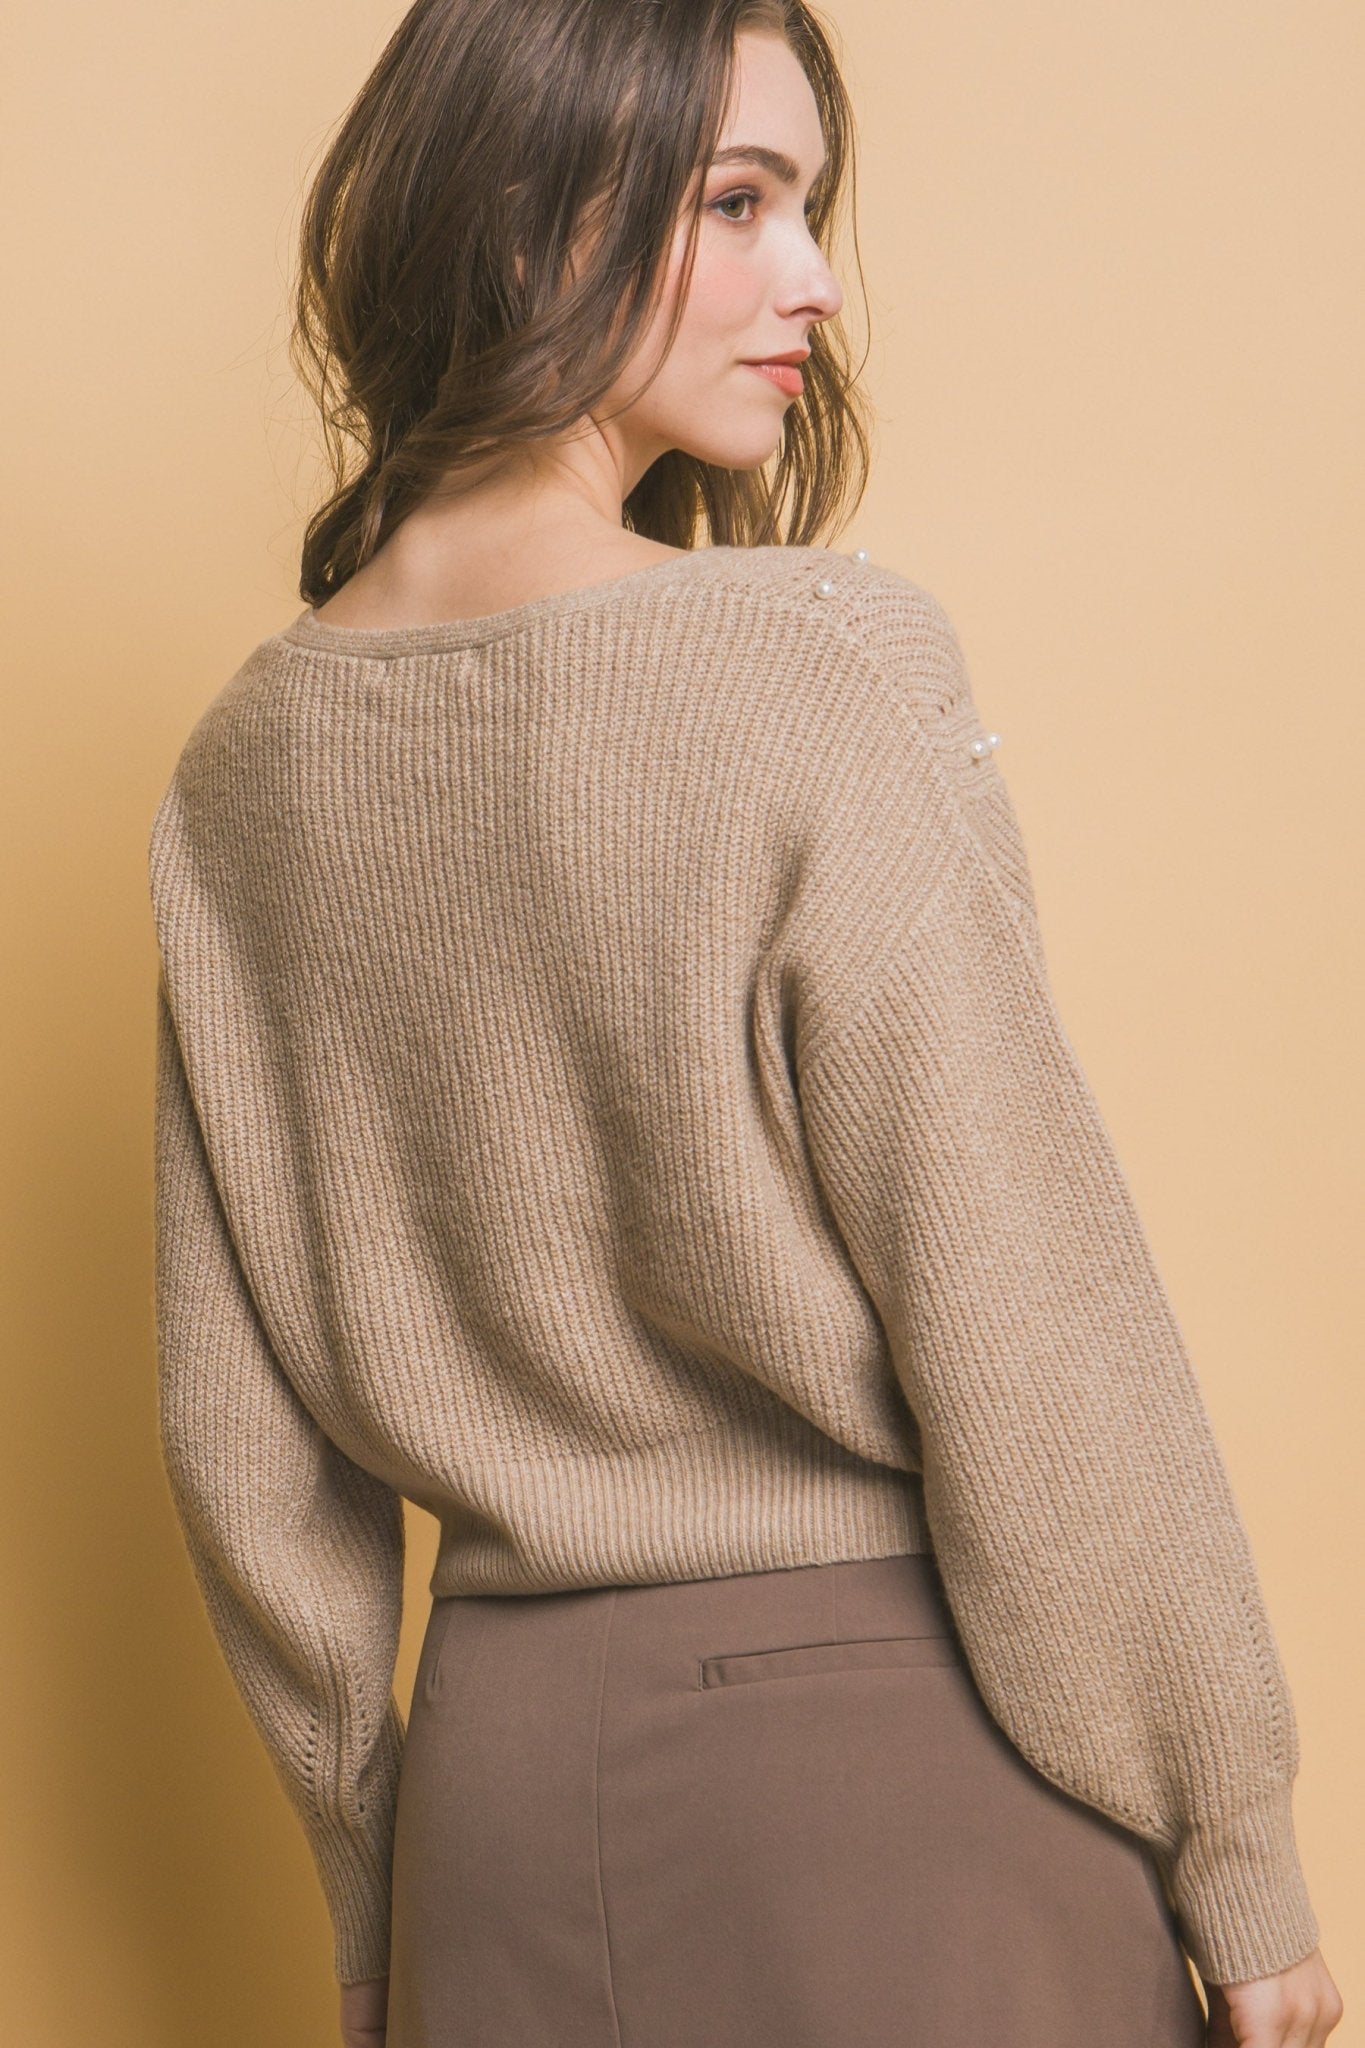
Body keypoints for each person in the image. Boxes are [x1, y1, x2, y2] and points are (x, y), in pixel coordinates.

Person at [147, 3, 1343, 2045]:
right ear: (520, 215)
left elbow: (242, 1449)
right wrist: (1232, 1843)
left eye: (805, 205)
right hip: (901, 1784)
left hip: (497, 1810)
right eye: (736, 202)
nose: (812, 281)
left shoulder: (237, 775)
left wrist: (375, 1890)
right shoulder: (812, 664)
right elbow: (1022, 1298)